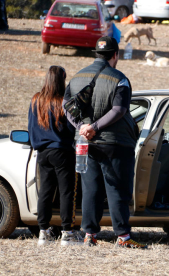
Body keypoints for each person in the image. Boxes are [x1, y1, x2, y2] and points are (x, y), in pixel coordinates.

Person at [63, 36, 145, 248]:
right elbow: (119, 110)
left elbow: (66, 107)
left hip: (84, 144)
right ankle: (123, 237)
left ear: (96, 54)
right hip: (114, 144)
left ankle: (89, 235)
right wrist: (94, 127)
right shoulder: (120, 79)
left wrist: (82, 126)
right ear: (115, 55)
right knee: (116, 189)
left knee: (91, 189)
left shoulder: (76, 77)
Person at [28, 66, 81, 246]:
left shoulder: (36, 100)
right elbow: (72, 128)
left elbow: (31, 126)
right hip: (62, 151)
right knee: (67, 192)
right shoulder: (64, 102)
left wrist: (37, 145)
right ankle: (67, 231)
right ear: (62, 80)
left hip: (42, 152)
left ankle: (43, 231)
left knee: (45, 191)